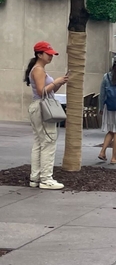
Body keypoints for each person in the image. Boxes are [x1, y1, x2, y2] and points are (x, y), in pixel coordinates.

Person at [25, 41, 68, 190]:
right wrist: (56, 82)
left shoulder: (38, 69)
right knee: (48, 141)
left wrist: (58, 84)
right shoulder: (38, 70)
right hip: (42, 108)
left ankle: (36, 177)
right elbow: (41, 91)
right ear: (39, 54)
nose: (51, 56)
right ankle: (46, 178)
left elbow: (46, 91)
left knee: (39, 142)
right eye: (48, 54)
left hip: (38, 107)